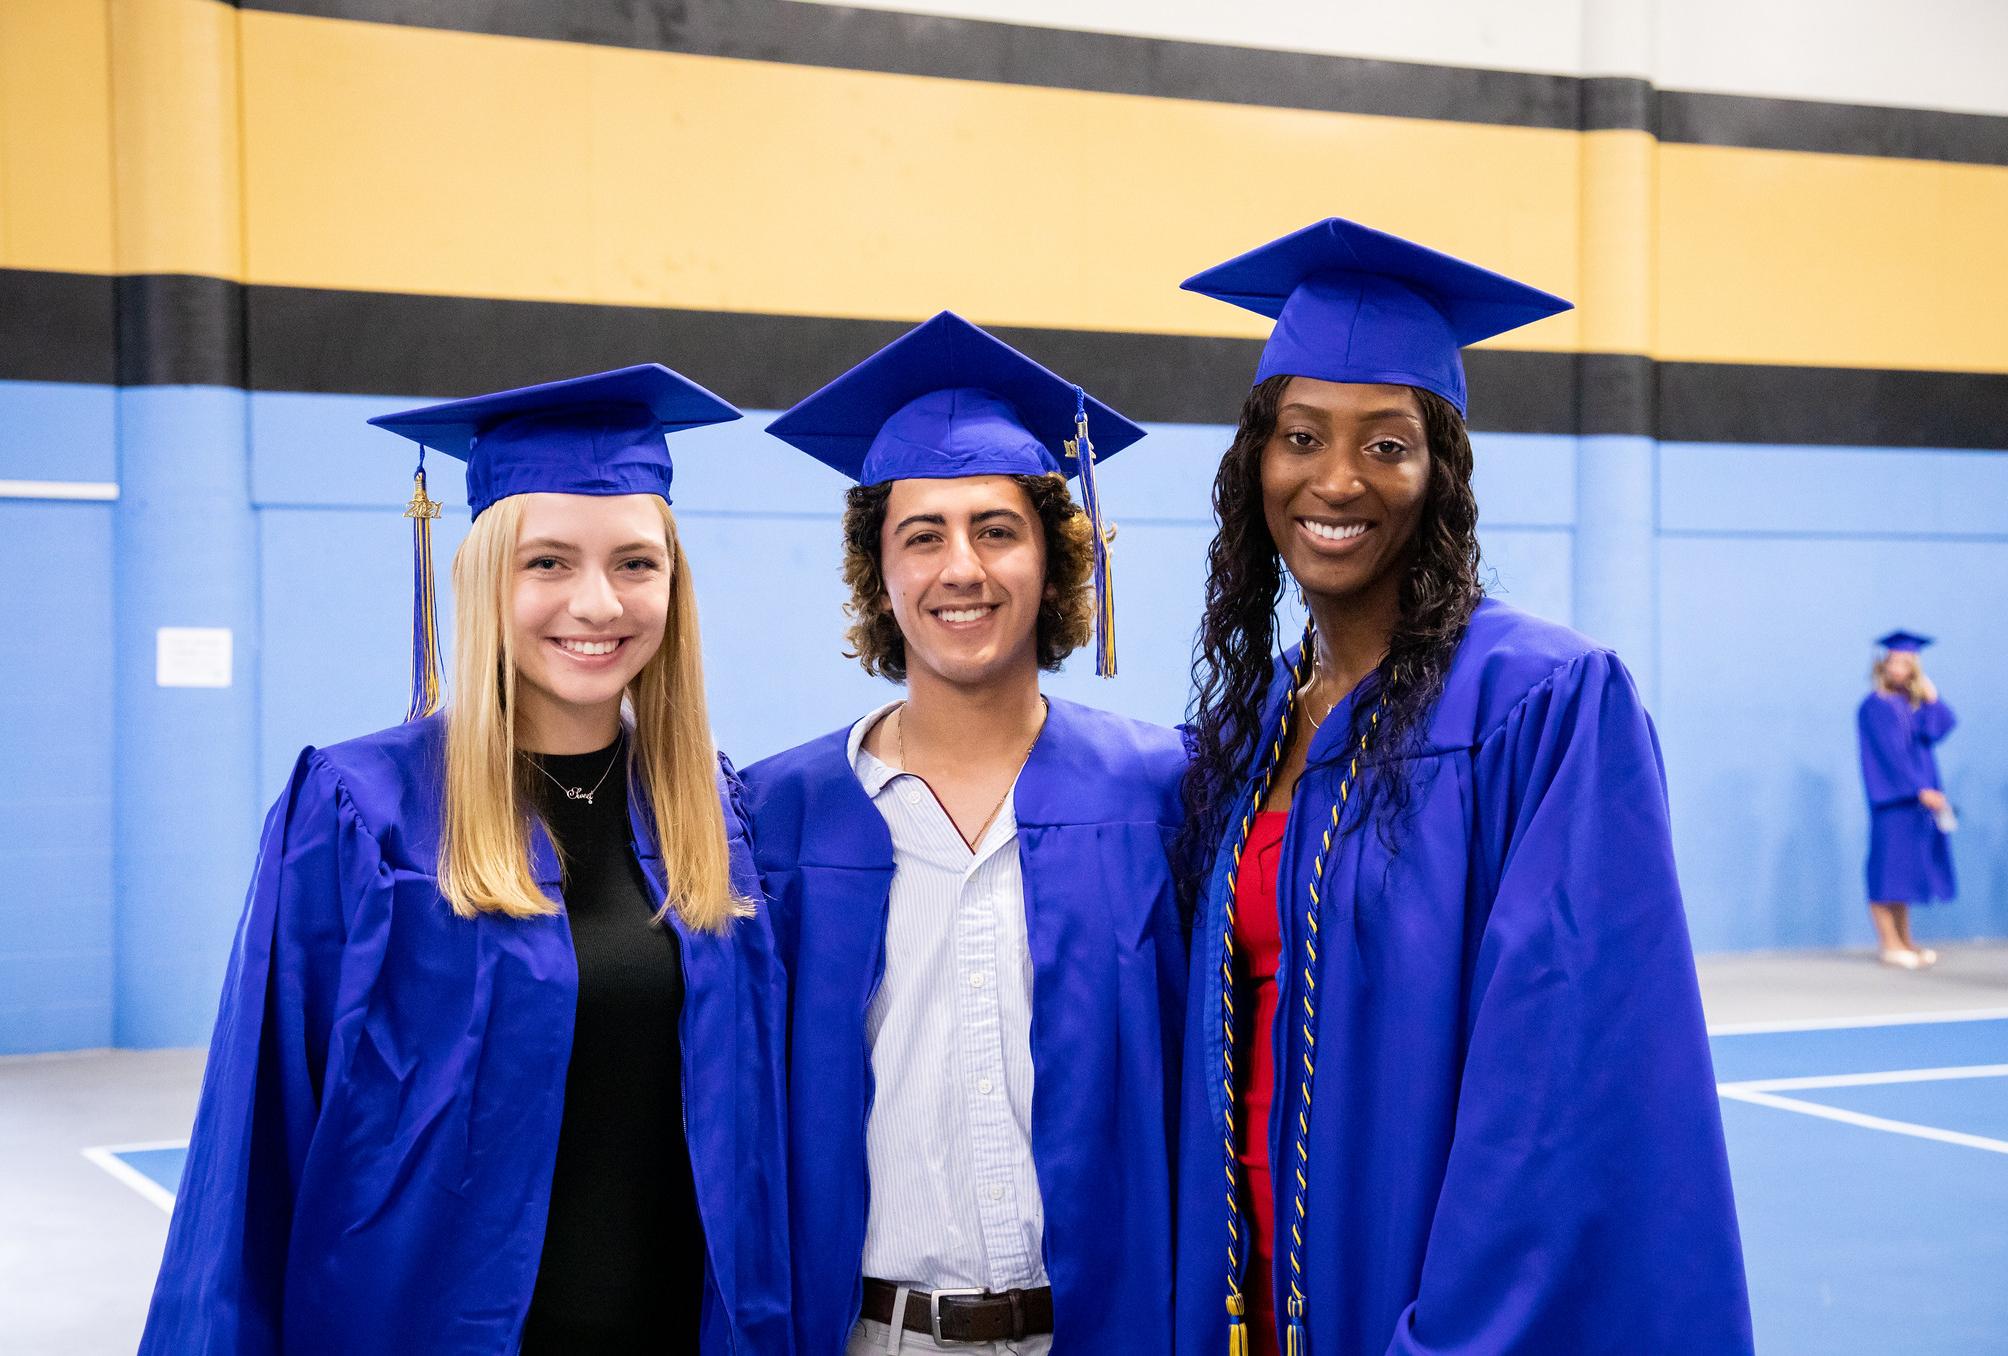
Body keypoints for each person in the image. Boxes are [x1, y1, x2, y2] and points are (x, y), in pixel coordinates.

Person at [1171, 219, 1753, 1355]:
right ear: (1255, 464)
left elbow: (1558, 1093)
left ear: (1439, 472)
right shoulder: (1243, 736)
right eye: (1299, 437)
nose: (1335, 479)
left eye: (1386, 445)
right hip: (1245, 1299)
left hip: (1418, 1300)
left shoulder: (1543, 705)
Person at [138, 366, 791, 1355]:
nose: (597, 601)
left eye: (635, 563)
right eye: (548, 563)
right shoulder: (361, 812)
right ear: (486, 577)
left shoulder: (712, 809)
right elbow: (254, 1142)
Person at [741, 312, 1185, 1355]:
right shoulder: (777, 816)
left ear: (1052, 556)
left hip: (1099, 1331)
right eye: (922, 534)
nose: (962, 569)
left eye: (996, 529)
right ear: (879, 573)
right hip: (871, 1334)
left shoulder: (1160, 794)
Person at [1857, 629, 1957, 968]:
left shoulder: (1910, 704)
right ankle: (1889, 944)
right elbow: (1889, 755)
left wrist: (1932, 697)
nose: (1900, 668)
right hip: (1894, 800)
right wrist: (1917, 788)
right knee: (1887, 872)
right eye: (1895, 661)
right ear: (1883, 665)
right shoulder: (1875, 706)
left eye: (1908, 662)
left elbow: (1939, 729)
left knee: (1905, 873)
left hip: (1918, 801)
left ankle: (1905, 942)